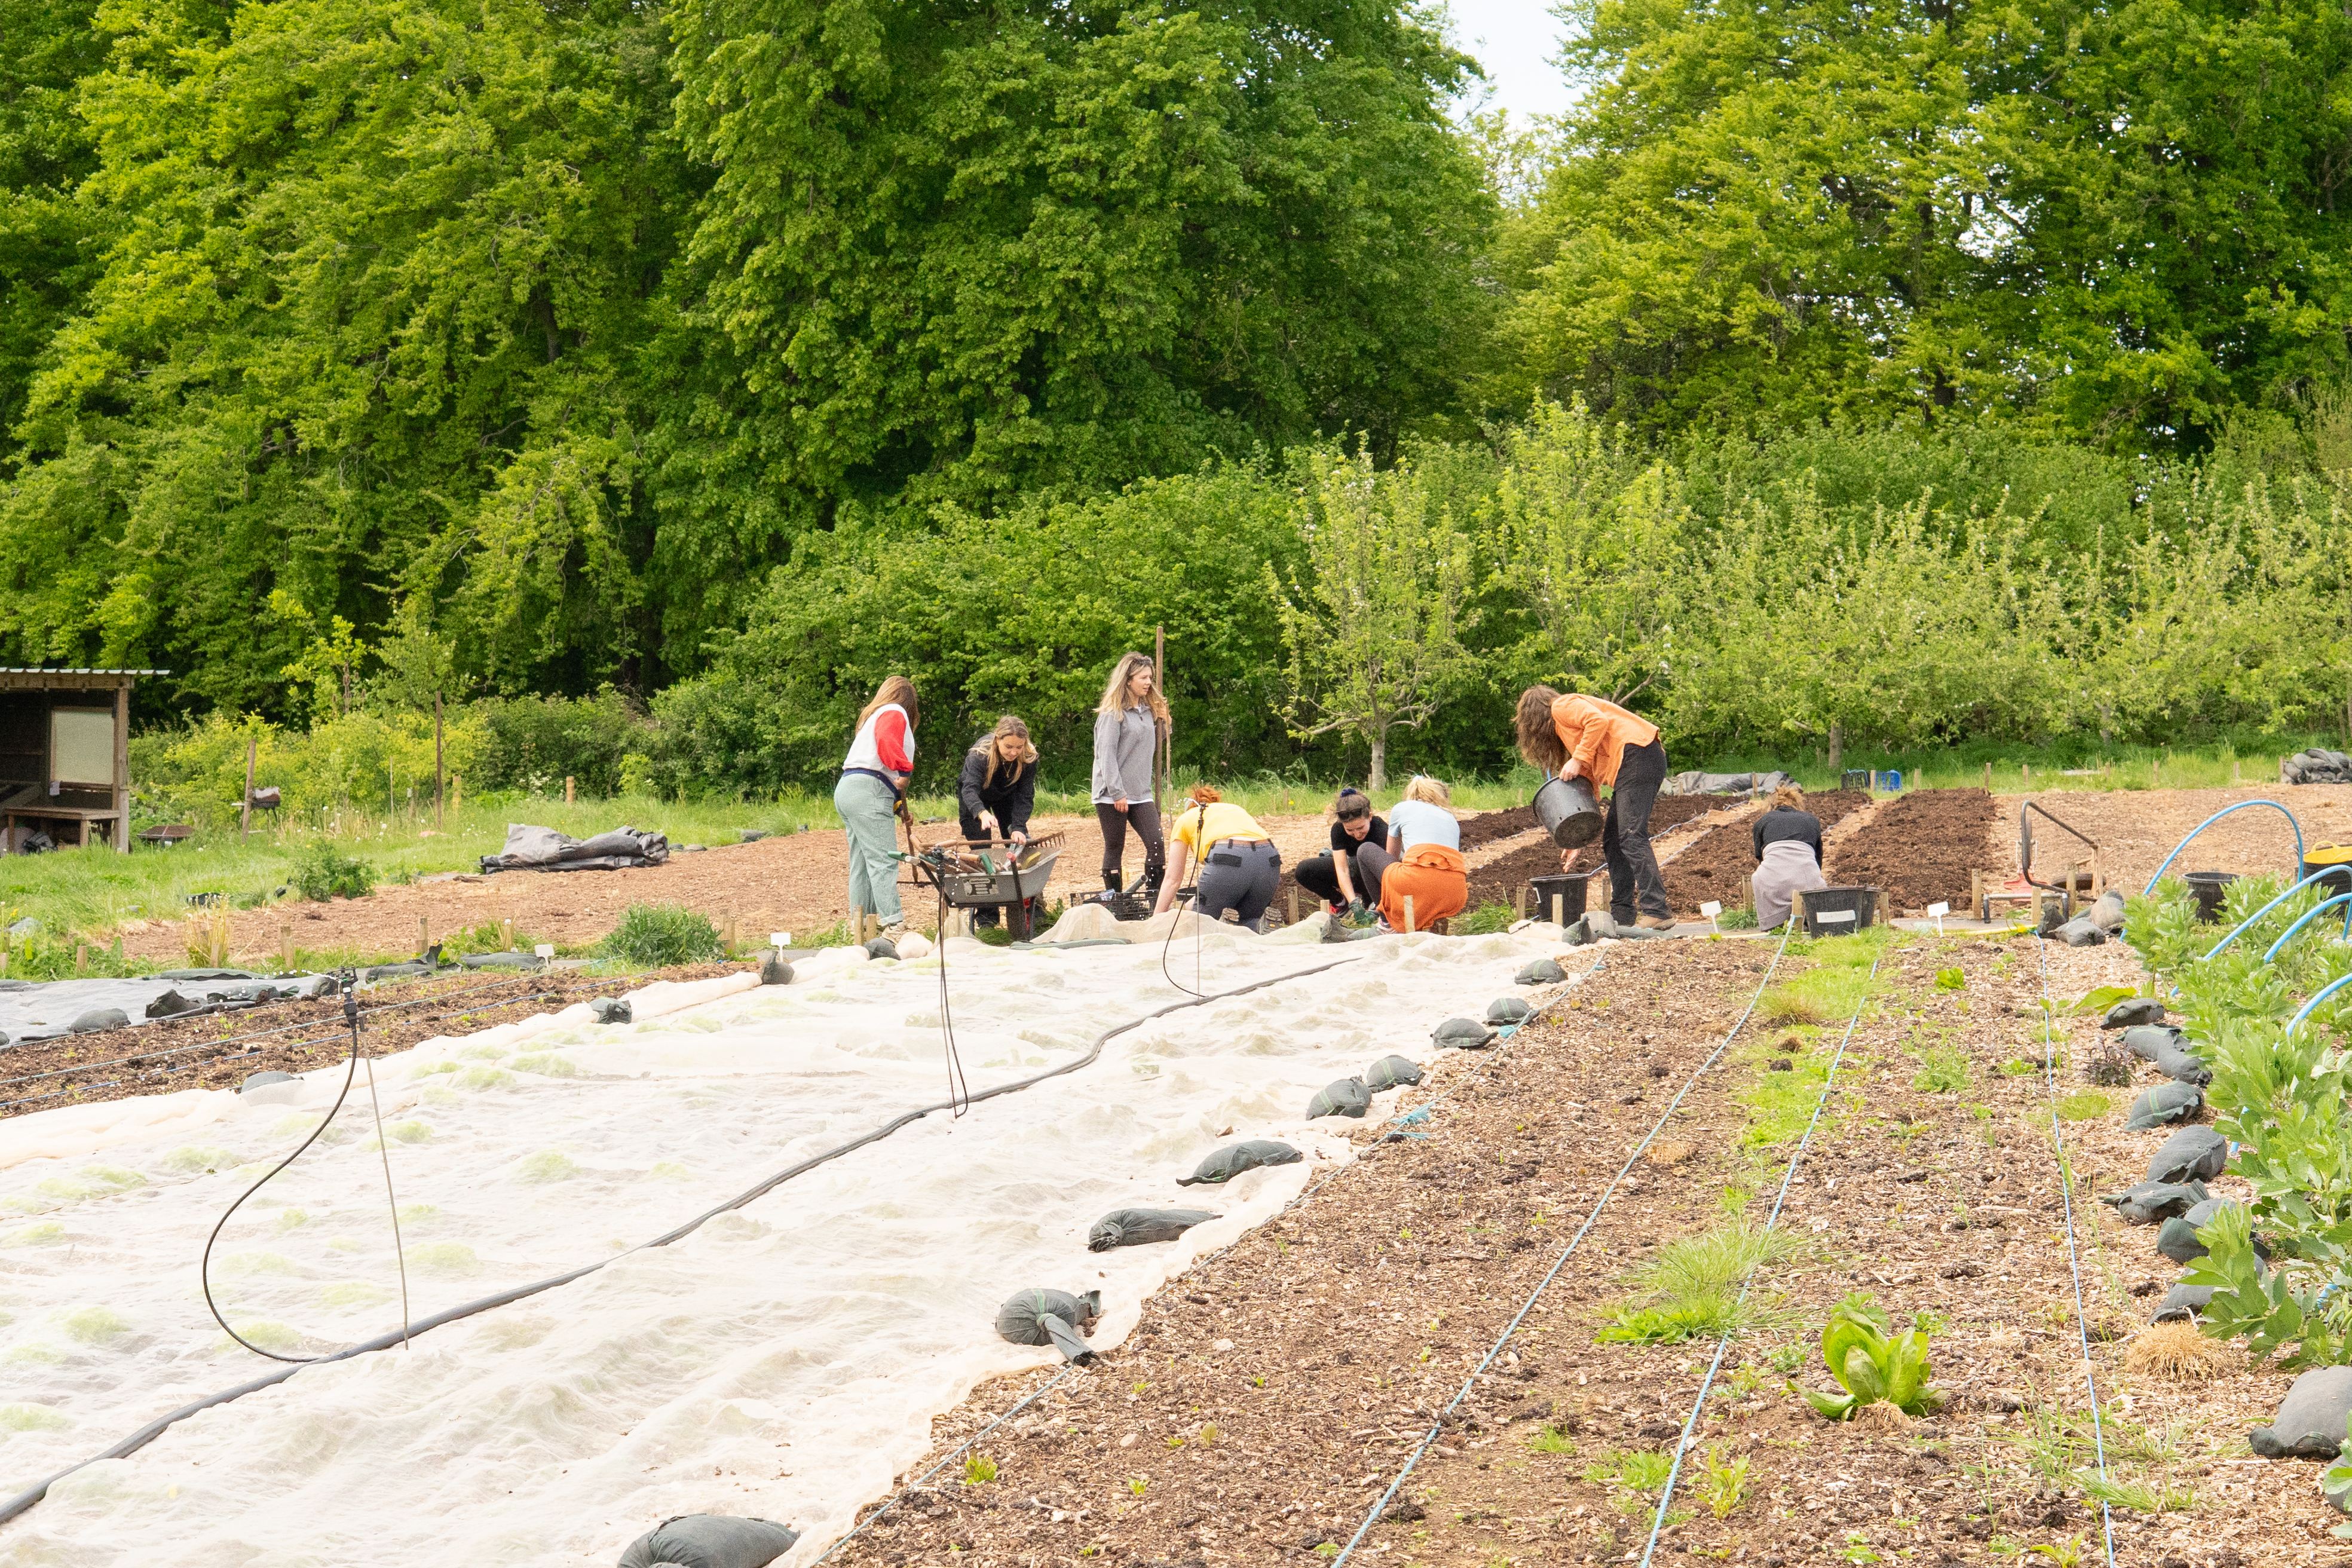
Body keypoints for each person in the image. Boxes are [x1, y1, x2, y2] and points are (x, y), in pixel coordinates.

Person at [1515, 686, 1674, 930]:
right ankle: (1622, 915)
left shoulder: (1562, 706)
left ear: (1534, 718)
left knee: (1632, 836)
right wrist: (1576, 835)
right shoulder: (1568, 731)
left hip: (1638, 755)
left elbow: (1597, 721)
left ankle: (1657, 911)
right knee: (1614, 839)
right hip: (1639, 760)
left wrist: (1578, 758)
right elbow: (1588, 779)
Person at [835, 675, 918, 937]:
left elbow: (876, 769)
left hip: (849, 788)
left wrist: (899, 807)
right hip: (868, 790)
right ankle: (894, 925)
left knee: (861, 862)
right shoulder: (895, 711)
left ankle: (862, 925)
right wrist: (904, 768)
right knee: (884, 861)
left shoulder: (873, 716)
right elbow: (887, 745)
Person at [1092, 652, 1168, 896]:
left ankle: (1155, 901)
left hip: (1141, 792)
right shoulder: (1112, 714)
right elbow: (1106, 756)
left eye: (1150, 678)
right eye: (1143, 678)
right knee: (1115, 846)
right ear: (1128, 680)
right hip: (1112, 793)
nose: (1149, 682)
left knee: (1156, 844)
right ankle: (1116, 904)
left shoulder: (1146, 711)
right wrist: (1117, 793)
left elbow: (1155, 744)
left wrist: (1166, 722)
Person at [1154, 786, 1281, 927]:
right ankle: (1259, 926)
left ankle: (1222, 926)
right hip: (1269, 858)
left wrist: (1155, 921)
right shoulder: (1234, 809)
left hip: (1229, 856)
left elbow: (1172, 880)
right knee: (1247, 920)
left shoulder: (1186, 818)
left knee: (1201, 924)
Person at [958, 716, 1042, 930]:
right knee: (981, 854)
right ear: (998, 740)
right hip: (975, 799)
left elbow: (1025, 796)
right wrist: (982, 813)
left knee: (1019, 846)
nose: (1014, 752)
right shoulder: (979, 755)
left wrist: (1018, 827)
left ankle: (1032, 910)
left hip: (1007, 796)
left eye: (1019, 747)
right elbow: (969, 789)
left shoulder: (1029, 758)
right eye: (1009, 747)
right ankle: (987, 918)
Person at [1373, 775, 1468, 933]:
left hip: (1419, 878)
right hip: (1456, 891)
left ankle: (1387, 922)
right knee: (1430, 875)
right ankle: (1432, 921)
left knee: (1366, 851)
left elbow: (1391, 856)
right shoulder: (1450, 818)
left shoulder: (1401, 808)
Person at [1292, 786, 1388, 918]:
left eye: (1360, 828)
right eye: (1350, 830)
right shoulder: (1338, 830)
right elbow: (1342, 870)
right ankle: (1341, 903)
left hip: (1376, 878)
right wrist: (1353, 903)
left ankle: (1370, 904)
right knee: (1304, 870)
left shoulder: (1381, 829)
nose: (1357, 834)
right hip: (1353, 871)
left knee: (1364, 856)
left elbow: (1387, 871)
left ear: (1370, 817)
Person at [1750, 782, 1827, 931]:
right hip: (1806, 878)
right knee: (1816, 882)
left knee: (1757, 878)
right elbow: (1818, 858)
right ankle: (1809, 918)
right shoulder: (1811, 820)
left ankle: (1772, 923)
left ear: (1771, 806)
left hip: (1774, 879)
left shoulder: (1763, 822)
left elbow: (1760, 857)